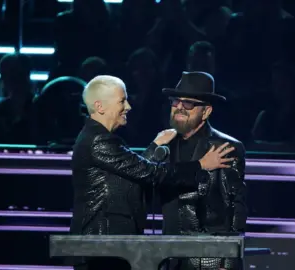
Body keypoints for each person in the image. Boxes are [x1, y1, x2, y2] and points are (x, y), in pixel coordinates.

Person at [69, 75, 235, 270]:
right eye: (122, 101)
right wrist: (200, 165)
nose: (128, 107)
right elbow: (150, 173)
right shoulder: (99, 141)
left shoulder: (98, 139)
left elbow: (132, 172)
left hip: (109, 246)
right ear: (100, 107)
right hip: (101, 246)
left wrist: (154, 146)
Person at [157, 72, 247, 270]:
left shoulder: (224, 146)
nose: (180, 107)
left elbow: (234, 207)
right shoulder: (164, 145)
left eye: (189, 103)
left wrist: (227, 258)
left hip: (206, 257)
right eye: (175, 101)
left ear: (206, 112)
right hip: (169, 254)